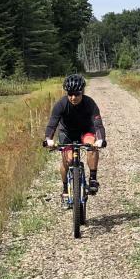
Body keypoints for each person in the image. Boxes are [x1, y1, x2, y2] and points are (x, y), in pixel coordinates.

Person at [44, 74, 106, 203]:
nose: (73, 97)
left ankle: (93, 179)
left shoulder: (90, 103)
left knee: (92, 146)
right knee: (68, 159)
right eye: (70, 94)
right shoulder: (60, 105)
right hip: (67, 133)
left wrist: (100, 139)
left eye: (77, 94)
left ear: (82, 92)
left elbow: (98, 124)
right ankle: (66, 188)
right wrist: (48, 139)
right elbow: (52, 124)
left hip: (86, 131)